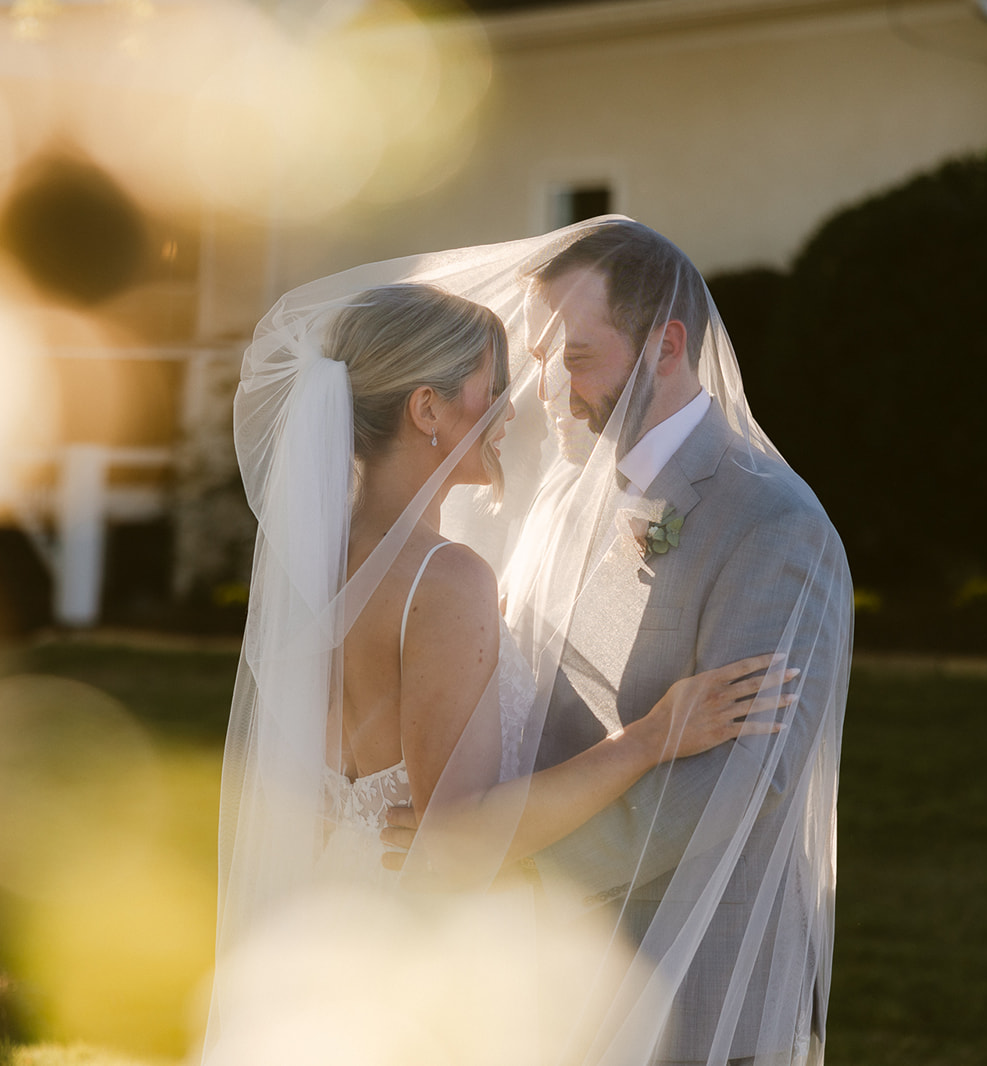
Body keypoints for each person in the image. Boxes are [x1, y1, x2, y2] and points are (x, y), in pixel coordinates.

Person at [207, 220, 850, 1066]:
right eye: (537, 358)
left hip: (684, 983)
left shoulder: (774, 525)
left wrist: (508, 868)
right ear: (423, 408)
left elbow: (742, 783)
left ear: (666, 346)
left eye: (573, 358)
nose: (540, 392)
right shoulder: (538, 514)